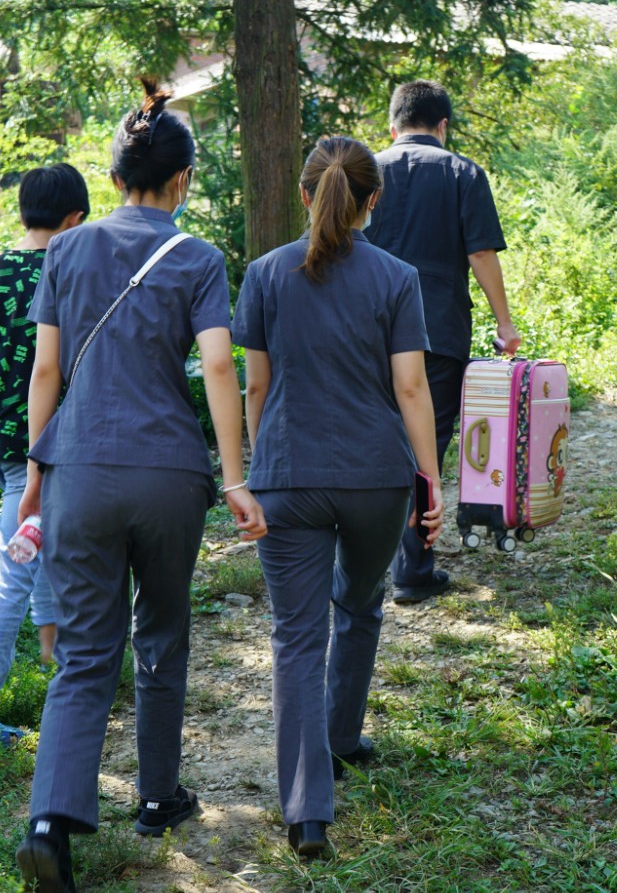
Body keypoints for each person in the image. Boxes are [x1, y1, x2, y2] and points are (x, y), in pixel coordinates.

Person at [13, 81, 266, 893]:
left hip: (79, 472)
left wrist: (33, 474)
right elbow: (220, 367)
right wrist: (236, 475)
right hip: (168, 476)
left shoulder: (65, 250)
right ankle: (158, 796)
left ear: (115, 175)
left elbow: (46, 370)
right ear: (182, 181)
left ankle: (51, 823)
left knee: (85, 656)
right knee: (161, 631)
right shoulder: (196, 257)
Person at [233, 136, 445, 861]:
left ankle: (306, 812)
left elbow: (255, 386)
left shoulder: (262, 275)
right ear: (372, 201)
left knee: (295, 637)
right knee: (359, 604)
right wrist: (432, 481)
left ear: (303, 195)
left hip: (288, 476)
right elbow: (411, 388)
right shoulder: (396, 277)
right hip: (376, 479)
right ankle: (343, 738)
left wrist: (263, 460)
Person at [0, 165, 89, 745]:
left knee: (36, 540)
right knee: (14, 570)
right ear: (75, 219)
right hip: (29, 449)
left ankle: (52, 653)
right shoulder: (69, 271)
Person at [364, 79, 520, 604]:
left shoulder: (365, 170)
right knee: (426, 443)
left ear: (392, 126)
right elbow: (480, 254)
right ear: (443, 126)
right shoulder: (463, 172)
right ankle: (412, 568)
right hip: (438, 330)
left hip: (369, 328)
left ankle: (363, 560)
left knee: (372, 433)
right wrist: (504, 323)